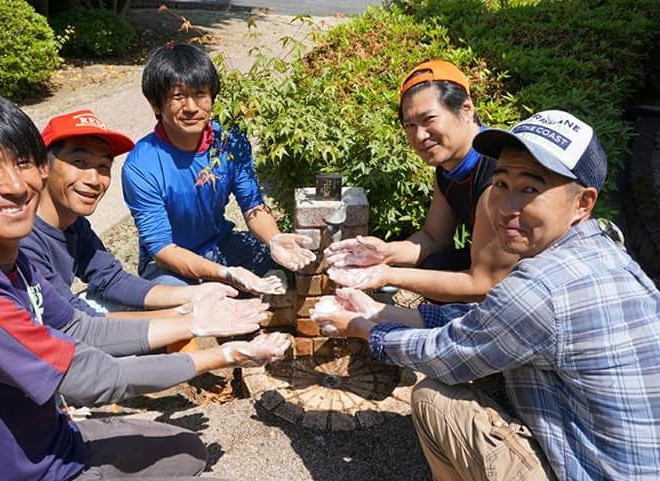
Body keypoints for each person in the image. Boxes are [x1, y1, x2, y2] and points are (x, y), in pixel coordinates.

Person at [0, 86, 290, 481]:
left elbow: (81, 319)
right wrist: (225, 354)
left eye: (22, 163)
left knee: (188, 452)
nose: (16, 185)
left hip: (54, 437)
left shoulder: (9, 253)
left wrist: (195, 319)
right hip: (17, 469)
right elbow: (95, 376)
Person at [311, 110, 660, 480]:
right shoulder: (604, 247)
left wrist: (365, 328)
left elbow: (447, 352)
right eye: (502, 184)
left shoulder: (541, 287)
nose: (506, 207)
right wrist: (381, 311)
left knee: (434, 400)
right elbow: (493, 320)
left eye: (530, 189)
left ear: (582, 203)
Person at [122, 43, 315, 293]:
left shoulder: (229, 142)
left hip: (220, 244)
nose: (191, 107)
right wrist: (226, 274)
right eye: (178, 97)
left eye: (200, 94)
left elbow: (253, 206)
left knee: (288, 266)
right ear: (156, 104)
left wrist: (274, 239)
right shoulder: (141, 166)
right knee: (182, 298)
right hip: (168, 265)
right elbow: (162, 250)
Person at [324, 60, 517, 302]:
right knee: (436, 264)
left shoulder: (499, 177)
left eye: (429, 119)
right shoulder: (449, 166)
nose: (419, 136)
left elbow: (485, 283)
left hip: (536, 292)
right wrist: (384, 252)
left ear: (466, 108)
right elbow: (434, 238)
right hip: (498, 279)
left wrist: (387, 276)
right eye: (410, 126)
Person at [21, 109, 237, 318]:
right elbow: (74, 321)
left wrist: (197, 294)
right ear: (43, 166)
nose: (94, 180)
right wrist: (183, 317)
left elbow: (111, 280)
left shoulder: (75, 225)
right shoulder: (22, 240)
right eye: (79, 162)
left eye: (103, 166)